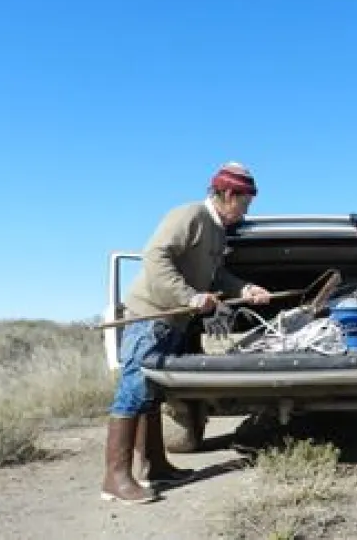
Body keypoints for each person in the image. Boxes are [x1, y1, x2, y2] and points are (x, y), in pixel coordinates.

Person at [100, 162, 272, 504]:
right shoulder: (190, 215)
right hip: (150, 315)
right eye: (244, 203)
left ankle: (155, 465)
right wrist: (189, 297)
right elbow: (155, 257)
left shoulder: (218, 230)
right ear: (227, 194)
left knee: (152, 393)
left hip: (174, 321)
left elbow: (215, 278)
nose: (245, 211)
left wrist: (246, 288)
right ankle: (115, 478)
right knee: (133, 391)